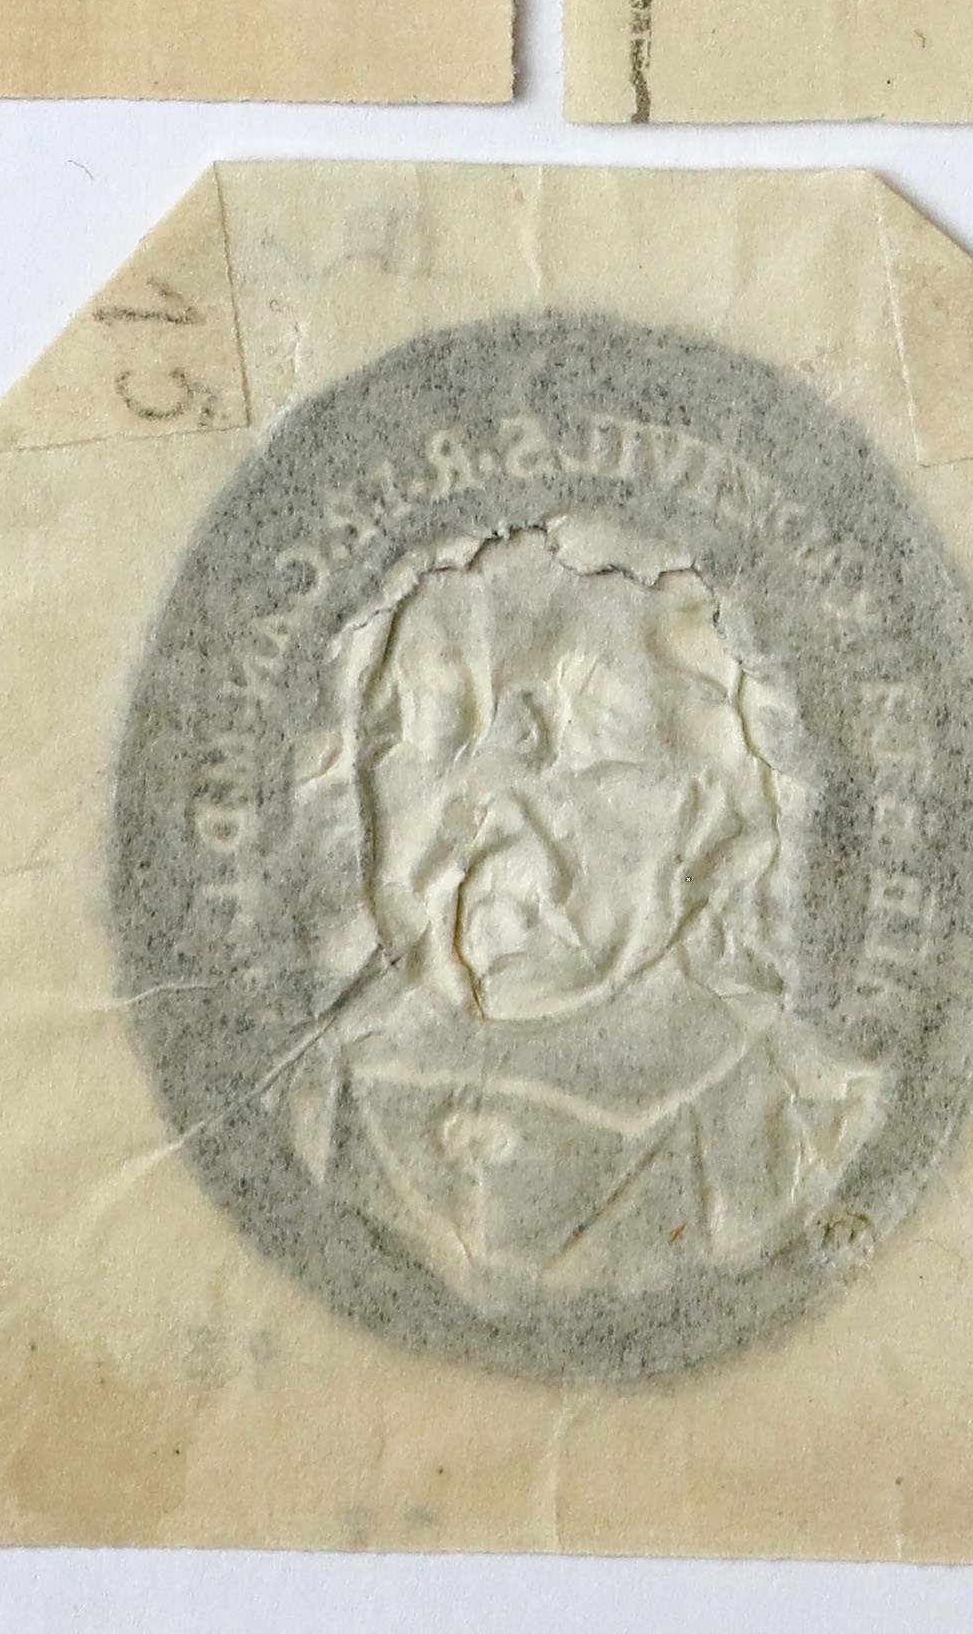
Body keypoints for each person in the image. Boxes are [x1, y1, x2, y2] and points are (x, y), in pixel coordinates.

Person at [279, 520, 885, 1314]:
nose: (482, 798)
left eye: (573, 745)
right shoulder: (319, 1091)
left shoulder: (784, 1114)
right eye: (432, 730)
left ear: (706, 811)